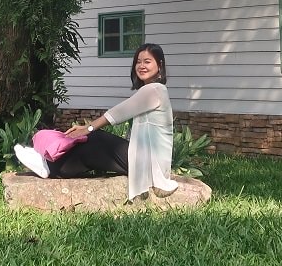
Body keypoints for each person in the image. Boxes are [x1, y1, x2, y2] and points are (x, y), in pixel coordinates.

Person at [13, 43, 179, 202]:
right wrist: (88, 129)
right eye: (138, 61)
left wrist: (89, 128)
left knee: (95, 139)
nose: (141, 66)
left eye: (147, 61)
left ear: (160, 65)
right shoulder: (151, 90)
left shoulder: (155, 90)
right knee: (91, 148)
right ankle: (50, 166)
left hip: (149, 163)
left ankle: (49, 166)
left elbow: (120, 111)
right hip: (147, 160)